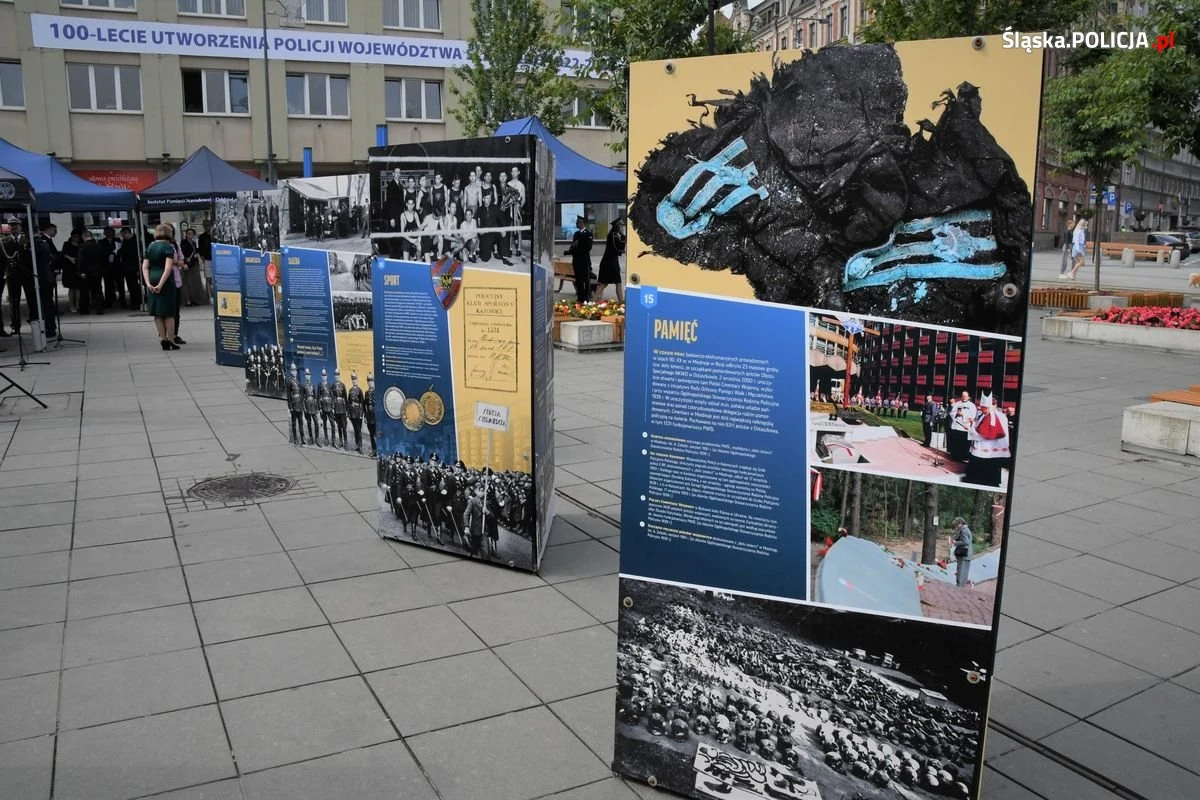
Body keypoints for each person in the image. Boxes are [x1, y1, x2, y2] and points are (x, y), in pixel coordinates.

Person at [141, 224, 180, 350]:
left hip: (152, 276)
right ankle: (171, 340)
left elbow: (145, 266)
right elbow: (168, 268)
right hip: (165, 280)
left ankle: (163, 339)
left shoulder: (150, 246)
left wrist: (148, 283)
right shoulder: (169, 247)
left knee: (157, 312)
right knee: (169, 312)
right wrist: (160, 284)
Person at [965, 393, 1011, 487]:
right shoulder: (985, 415)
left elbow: (983, 433)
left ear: (988, 406)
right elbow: (981, 427)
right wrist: (973, 423)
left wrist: (970, 429)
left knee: (988, 468)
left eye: (982, 407)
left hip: (990, 447)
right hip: (987, 446)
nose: (980, 408)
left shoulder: (995, 416)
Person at [33, 222, 58, 338]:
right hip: (44, 276)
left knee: (47, 302)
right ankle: (49, 326)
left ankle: (50, 326)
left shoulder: (42, 242)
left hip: (47, 276)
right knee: (46, 302)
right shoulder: (41, 242)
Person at [596, 217, 626, 302]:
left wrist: (623, 236)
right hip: (610, 263)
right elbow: (617, 248)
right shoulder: (613, 235)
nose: (622, 228)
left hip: (611, 262)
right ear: (617, 227)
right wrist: (623, 237)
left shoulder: (614, 235)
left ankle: (621, 302)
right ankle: (593, 302)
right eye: (621, 226)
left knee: (616, 283)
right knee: (604, 284)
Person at [567, 215, 594, 303]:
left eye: (578, 222)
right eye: (576, 222)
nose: (576, 224)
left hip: (584, 261)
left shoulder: (588, 234)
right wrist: (570, 251)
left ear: (582, 223)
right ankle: (580, 296)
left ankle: (586, 297)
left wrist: (576, 251)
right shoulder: (576, 234)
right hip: (576, 261)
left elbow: (588, 248)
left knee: (586, 279)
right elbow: (573, 246)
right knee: (578, 280)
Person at [947, 391, 976, 462]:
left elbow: (973, 416)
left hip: (965, 427)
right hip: (957, 426)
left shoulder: (972, 405)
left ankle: (963, 456)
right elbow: (952, 413)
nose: (964, 397)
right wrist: (956, 413)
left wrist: (963, 415)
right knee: (956, 442)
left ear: (968, 397)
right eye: (963, 396)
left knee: (964, 443)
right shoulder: (957, 404)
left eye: (965, 396)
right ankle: (955, 456)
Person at [119, 227, 143, 310]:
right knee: (131, 286)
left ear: (127, 233)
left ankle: (137, 302)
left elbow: (131, 253)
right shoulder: (125, 241)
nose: (123, 237)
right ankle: (134, 302)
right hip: (127, 266)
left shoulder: (134, 241)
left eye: (123, 235)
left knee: (134, 286)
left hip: (133, 266)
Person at [60, 228, 82, 314]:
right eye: (74, 236)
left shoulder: (81, 244)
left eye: (77, 236)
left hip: (78, 267)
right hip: (69, 268)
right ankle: (71, 305)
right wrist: (70, 258)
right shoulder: (67, 244)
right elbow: (63, 253)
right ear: (72, 236)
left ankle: (78, 305)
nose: (76, 238)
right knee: (71, 288)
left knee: (78, 288)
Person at [950, 517, 973, 587]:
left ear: (960, 523)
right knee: (965, 570)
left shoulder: (963, 530)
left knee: (961, 570)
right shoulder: (967, 529)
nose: (955, 526)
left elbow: (965, 542)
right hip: (968, 553)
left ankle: (959, 585)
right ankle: (962, 585)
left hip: (963, 552)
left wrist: (955, 542)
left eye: (956, 524)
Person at [198, 220, 213, 299]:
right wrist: (203, 259)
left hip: (215, 259)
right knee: (208, 278)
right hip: (207, 259)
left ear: (211, 226)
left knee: (215, 278)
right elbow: (200, 250)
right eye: (205, 226)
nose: (207, 227)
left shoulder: (214, 235)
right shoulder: (202, 237)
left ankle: (214, 294)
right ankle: (210, 296)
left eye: (208, 225)